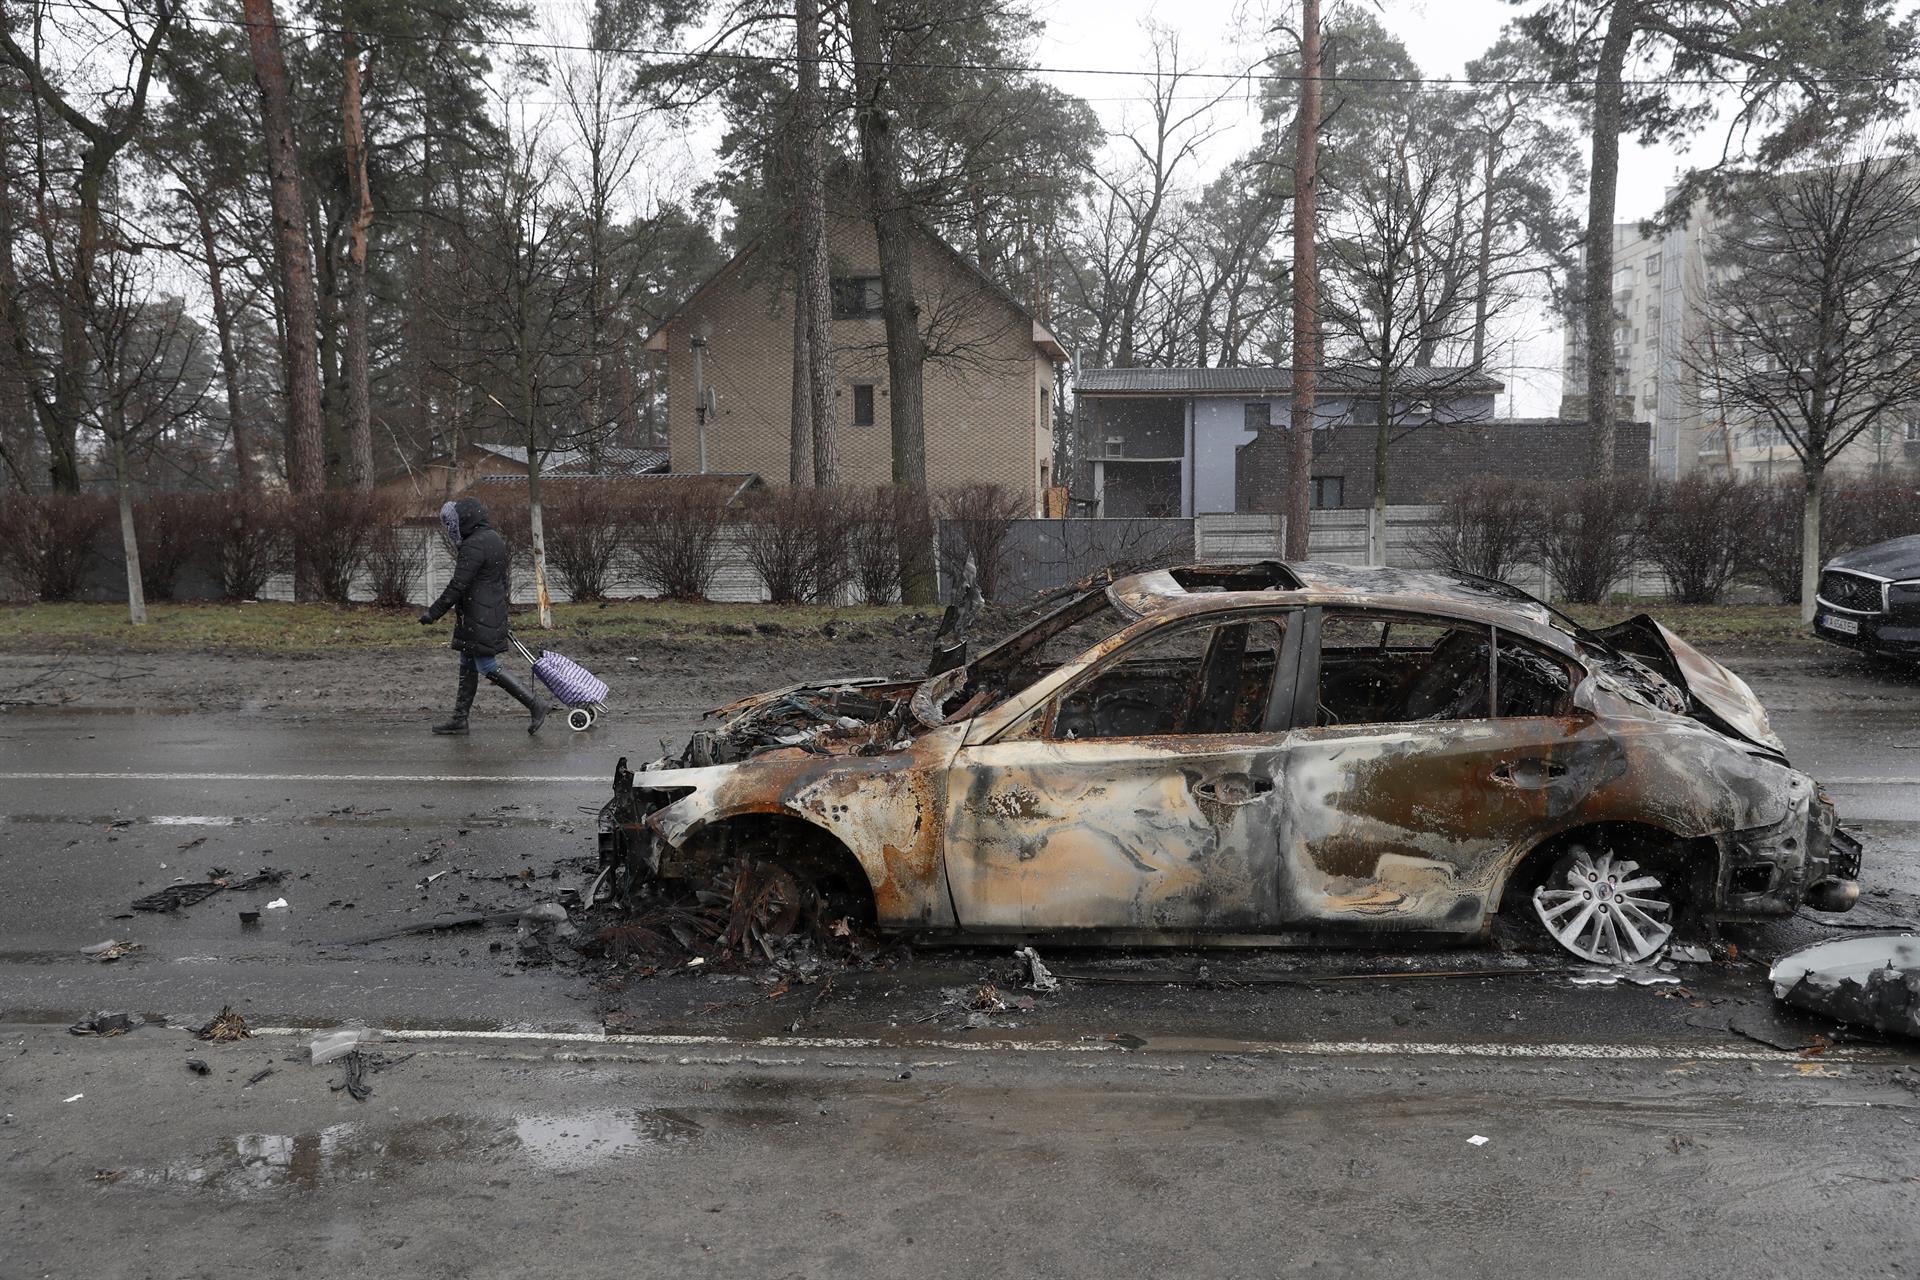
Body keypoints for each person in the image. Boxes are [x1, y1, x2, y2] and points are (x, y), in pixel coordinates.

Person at [420, 496, 549, 735]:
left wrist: (433, 612)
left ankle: (535, 703)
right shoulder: (493, 538)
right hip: (487, 610)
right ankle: (460, 719)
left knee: (486, 665)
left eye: (453, 524)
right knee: (467, 662)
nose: (451, 530)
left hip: (479, 613)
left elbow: (458, 584)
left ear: (463, 521)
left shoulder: (474, 545)